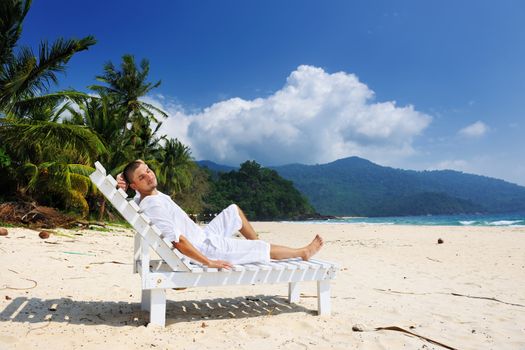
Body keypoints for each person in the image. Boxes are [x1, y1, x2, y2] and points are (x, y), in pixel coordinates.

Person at [117, 160, 323, 269]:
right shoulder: (152, 204)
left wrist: (123, 182)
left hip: (204, 236)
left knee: (233, 212)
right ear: (136, 184)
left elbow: (136, 180)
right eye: (142, 177)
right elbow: (177, 241)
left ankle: (257, 248)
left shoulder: (148, 195)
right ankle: (300, 252)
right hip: (206, 248)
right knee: (259, 247)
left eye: (149, 170)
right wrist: (208, 262)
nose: (149, 176)